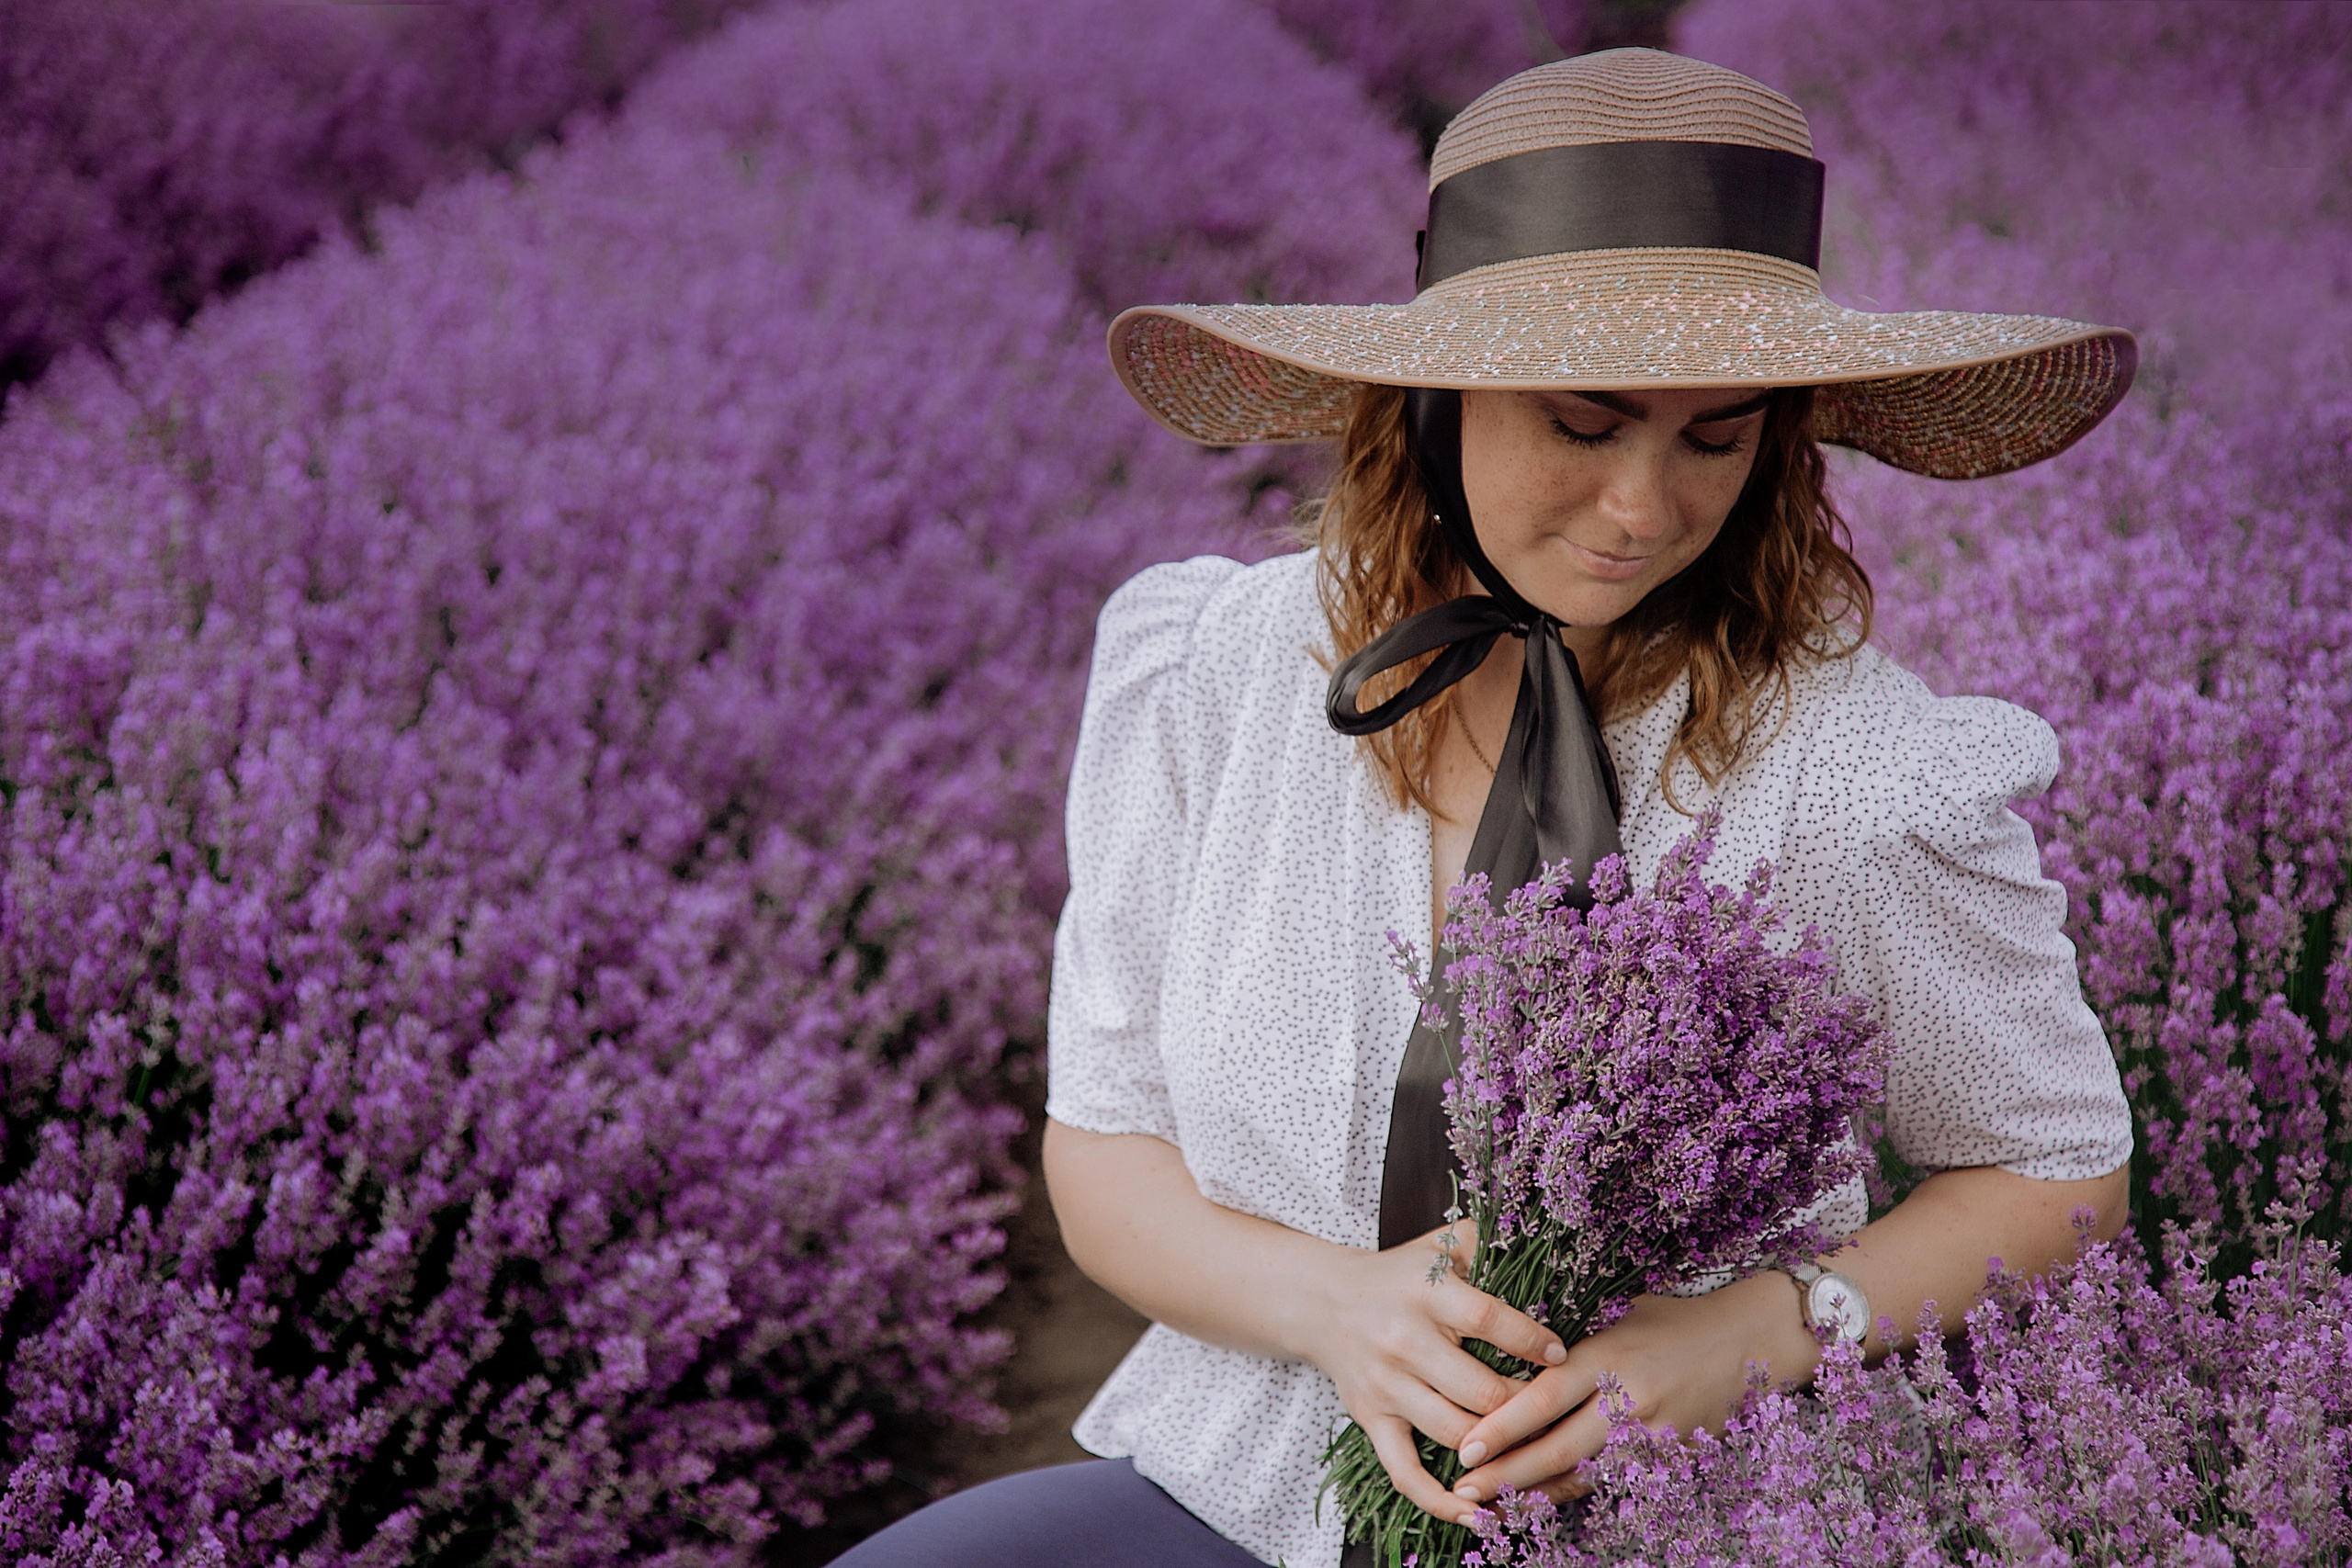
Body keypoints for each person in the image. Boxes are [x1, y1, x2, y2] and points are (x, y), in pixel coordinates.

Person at [834, 47, 2136, 1568]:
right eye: (1585, 424)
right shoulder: (1217, 671)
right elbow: (1107, 1149)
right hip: (1244, 1481)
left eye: (1716, 437)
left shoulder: (1856, 772)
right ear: (1434, 401)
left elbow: (2056, 1167)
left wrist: (1760, 1332)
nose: (1644, 507)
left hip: (1674, 1519)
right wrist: (1336, 1311)